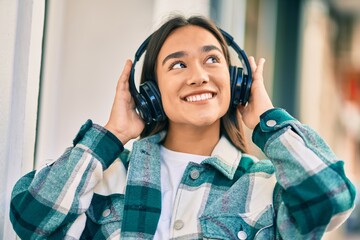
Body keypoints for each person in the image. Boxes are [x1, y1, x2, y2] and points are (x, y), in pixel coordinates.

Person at [10, 15, 356, 240]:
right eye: (177, 64)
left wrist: (267, 120)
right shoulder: (106, 178)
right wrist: (113, 136)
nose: (198, 76)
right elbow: (30, 219)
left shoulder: (264, 187)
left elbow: (332, 198)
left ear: (237, 83)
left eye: (212, 59)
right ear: (151, 94)